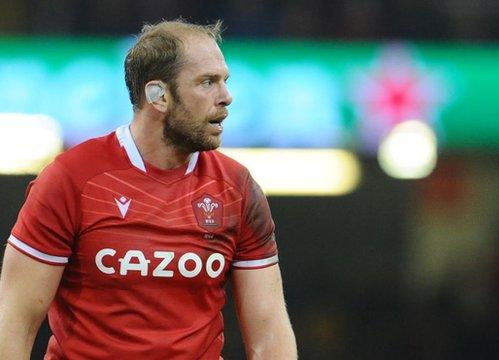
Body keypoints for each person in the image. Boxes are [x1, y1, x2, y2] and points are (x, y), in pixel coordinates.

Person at [0, 19, 297, 359]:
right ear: (158, 95)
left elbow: (269, 330)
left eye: (224, 82)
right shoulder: (71, 180)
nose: (226, 97)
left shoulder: (237, 189)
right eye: (207, 82)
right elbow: (15, 322)